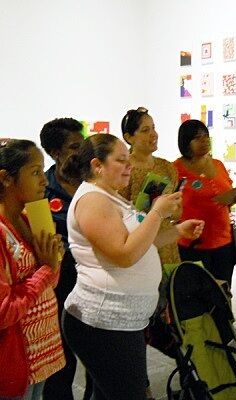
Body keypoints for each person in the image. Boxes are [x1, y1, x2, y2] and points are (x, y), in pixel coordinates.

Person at [61, 134, 204, 400]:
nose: (129, 166)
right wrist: (157, 213)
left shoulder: (110, 196)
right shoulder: (93, 201)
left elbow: (141, 242)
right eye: (121, 160)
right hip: (103, 323)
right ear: (97, 165)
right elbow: (123, 255)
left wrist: (176, 232)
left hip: (123, 321)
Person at [120, 107, 182, 399]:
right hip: (140, 246)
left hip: (168, 245)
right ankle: (140, 384)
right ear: (129, 136)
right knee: (142, 322)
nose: (152, 134)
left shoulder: (168, 167)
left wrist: (173, 210)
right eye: (144, 129)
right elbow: (120, 212)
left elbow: (177, 206)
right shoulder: (125, 168)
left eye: (154, 127)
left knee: (170, 315)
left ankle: (186, 373)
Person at [0, 139, 65, 399]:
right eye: (35, 172)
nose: (45, 181)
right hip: (15, 359)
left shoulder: (31, 219)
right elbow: (4, 311)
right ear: (6, 178)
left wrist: (52, 261)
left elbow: (51, 282)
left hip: (40, 355)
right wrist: (47, 268)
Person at [39, 118, 93, 400]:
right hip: (62, 284)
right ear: (56, 153)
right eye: (75, 146)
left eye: (83, 143)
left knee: (99, 356)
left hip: (97, 283)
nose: (83, 150)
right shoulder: (41, 192)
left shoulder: (95, 182)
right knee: (62, 357)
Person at [174, 119, 236, 287]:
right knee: (196, 296)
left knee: (223, 292)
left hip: (224, 242)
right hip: (192, 244)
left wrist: (235, 198)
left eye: (206, 136)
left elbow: (225, 198)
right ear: (186, 142)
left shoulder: (218, 164)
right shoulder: (175, 169)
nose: (205, 140)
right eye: (198, 137)